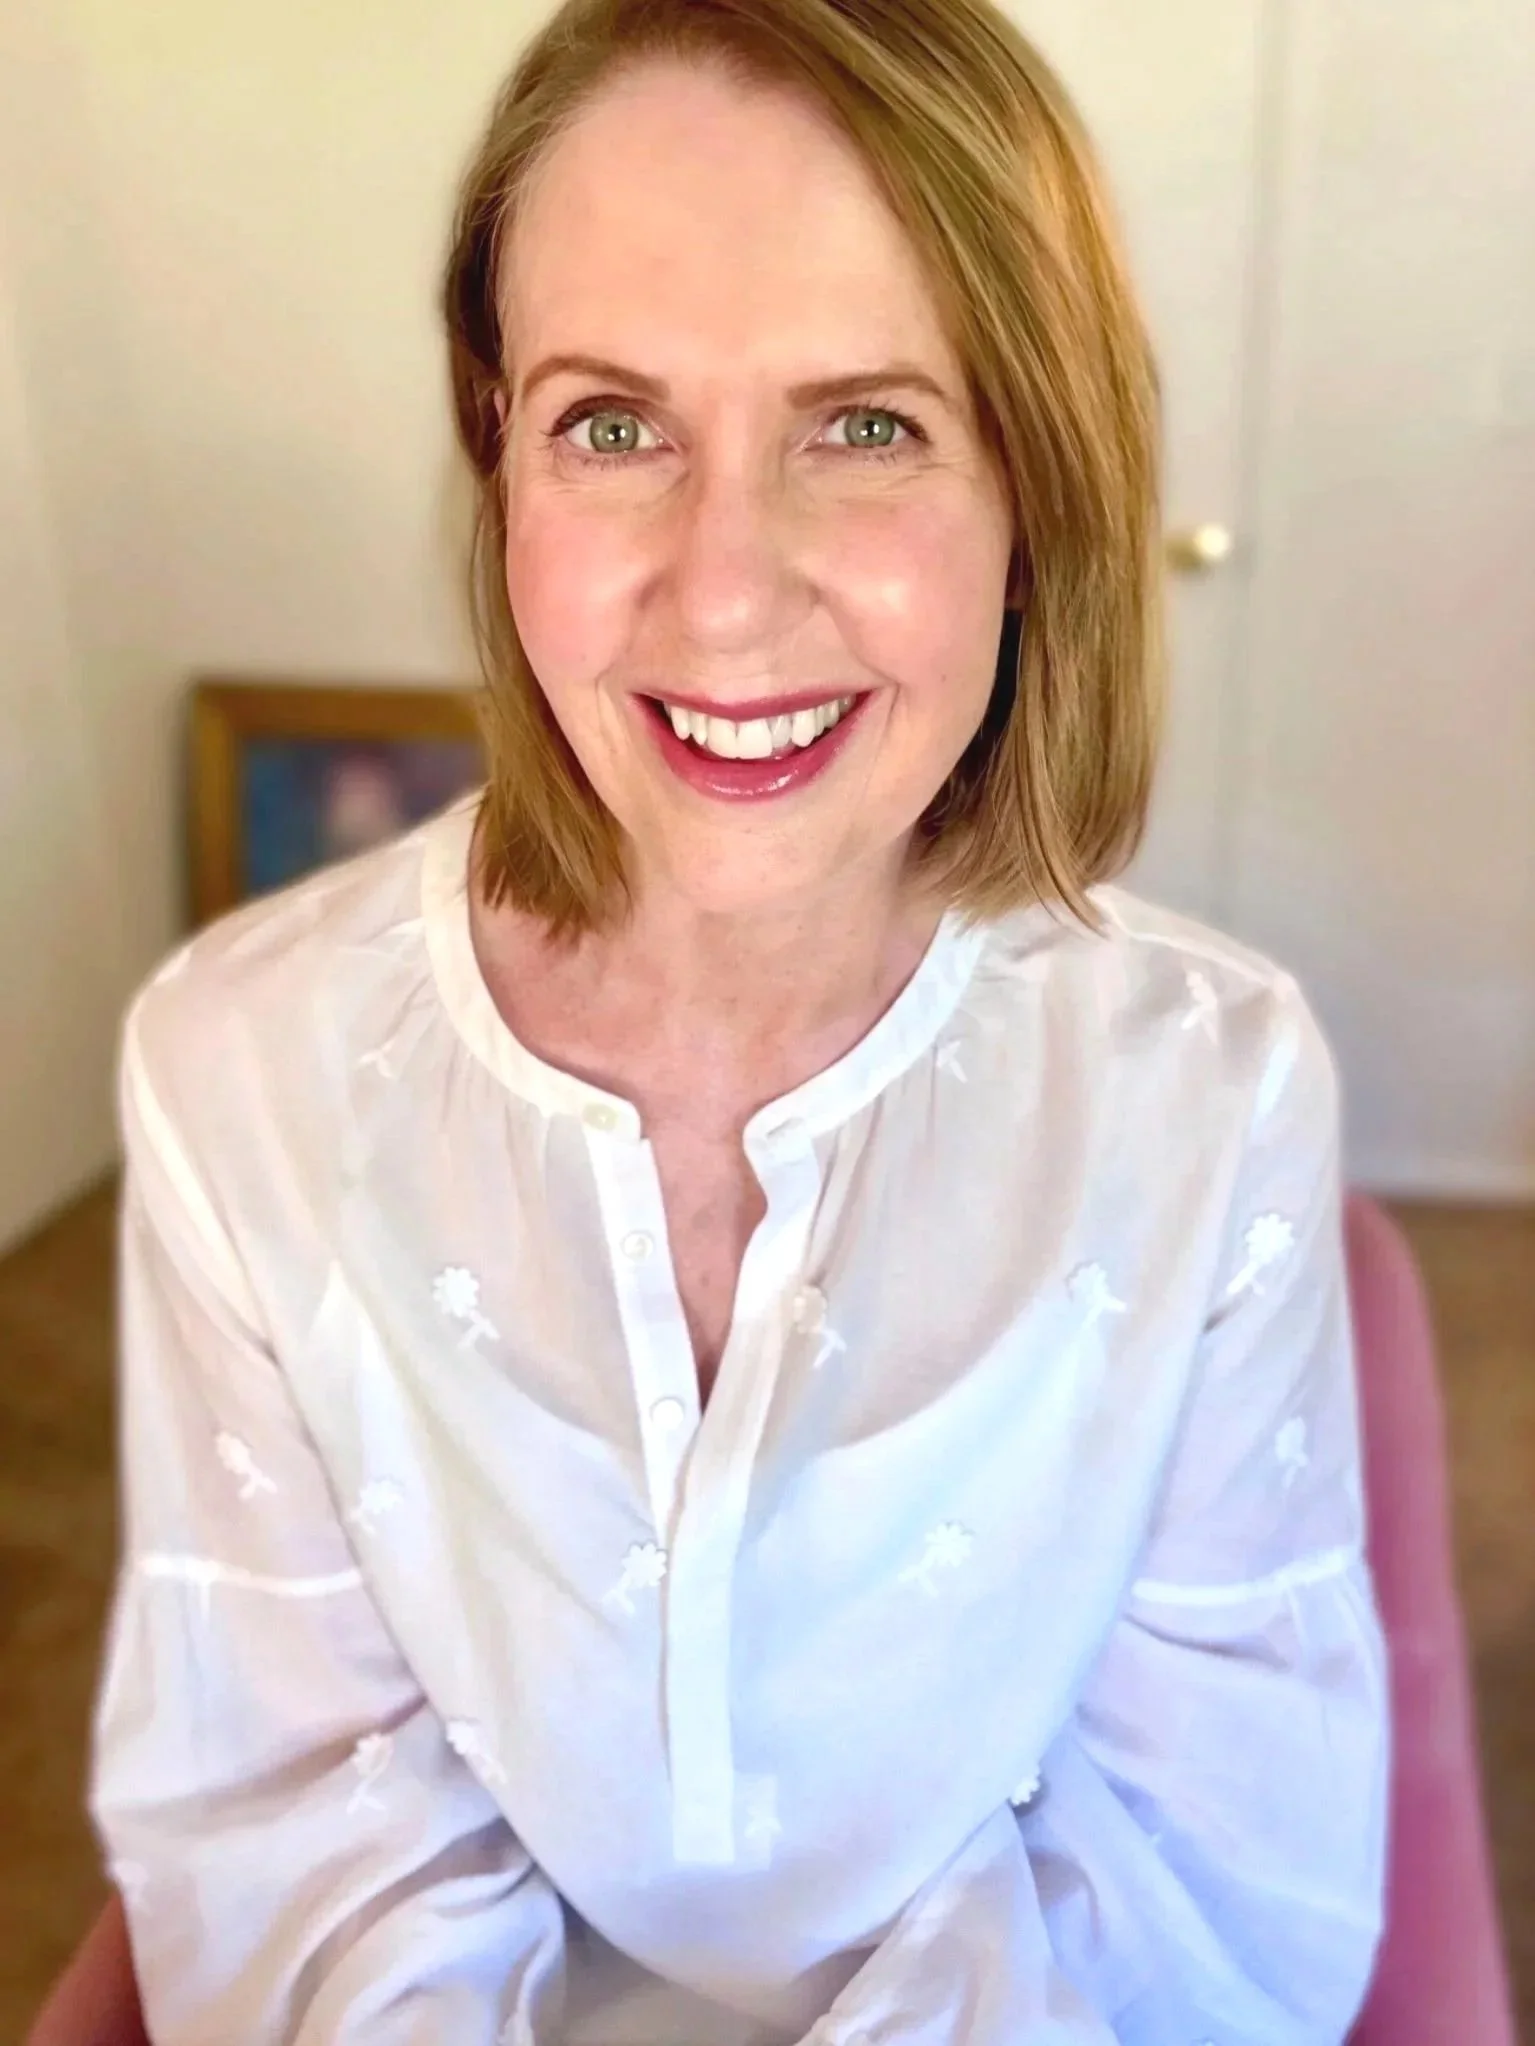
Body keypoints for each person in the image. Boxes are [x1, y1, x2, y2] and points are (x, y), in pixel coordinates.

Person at [87, 0, 1390, 2040]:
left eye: (864, 424)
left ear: (1035, 491)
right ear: (491, 446)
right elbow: (283, 1822)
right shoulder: (234, 1073)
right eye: (611, 424)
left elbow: (1204, 1865)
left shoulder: (1206, 1094)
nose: (719, 596)